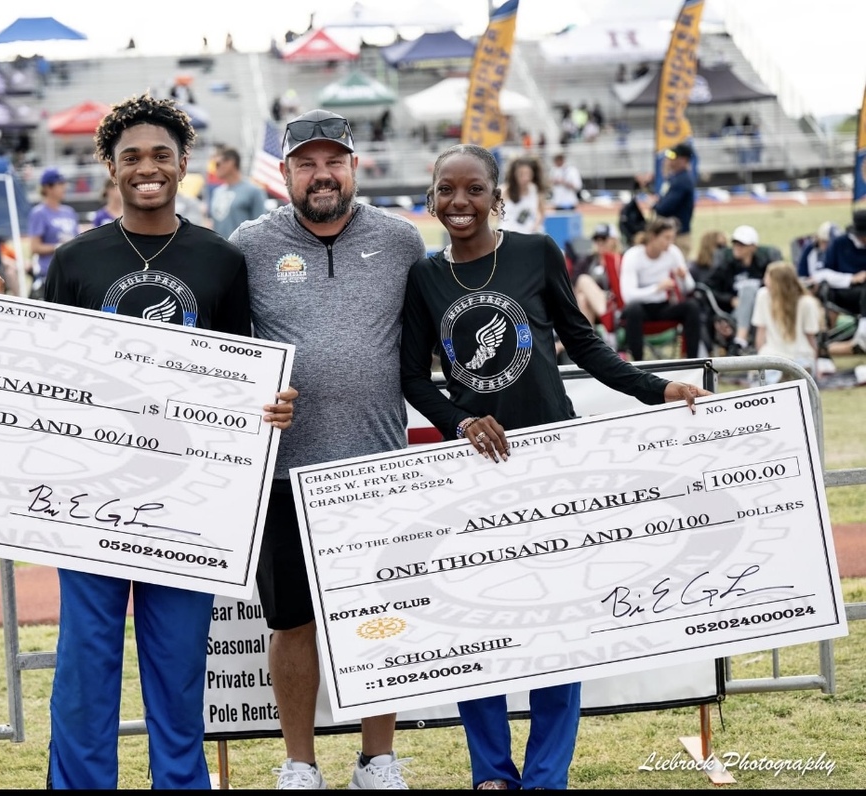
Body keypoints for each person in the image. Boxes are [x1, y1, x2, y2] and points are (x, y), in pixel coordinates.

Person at [0, 93, 297, 790]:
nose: (148, 168)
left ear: (183, 164)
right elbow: (41, 370)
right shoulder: (78, 260)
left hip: (187, 500)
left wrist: (272, 403)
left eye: (161, 156)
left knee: (177, 673)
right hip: (91, 495)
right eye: (132, 156)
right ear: (109, 165)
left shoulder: (221, 261)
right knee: (86, 666)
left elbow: (241, 369)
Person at [398, 144, 709, 791]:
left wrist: (656, 388)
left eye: (474, 189)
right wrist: (460, 419)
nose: (460, 202)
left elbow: (584, 341)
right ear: (430, 198)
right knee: (476, 627)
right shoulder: (424, 277)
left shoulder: (536, 252)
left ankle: (545, 775)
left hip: (551, 463)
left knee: (556, 627)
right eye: (447, 190)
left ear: (497, 196)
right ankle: (491, 772)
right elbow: (411, 378)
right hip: (476, 470)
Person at [230, 108, 428, 790]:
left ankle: (378, 759)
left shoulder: (402, 241)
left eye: (333, 161)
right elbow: (225, 354)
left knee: (379, 616)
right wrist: (246, 400)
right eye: (306, 163)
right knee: (292, 624)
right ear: (285, 172)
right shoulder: (250, 244)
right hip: (284, 473)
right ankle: (299, 763)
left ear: (353, 168)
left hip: (376, 467)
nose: (322, 175)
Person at [617, 217, 703, 361]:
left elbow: (689, 288)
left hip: (663, 306)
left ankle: (692, 360)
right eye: (666, 238)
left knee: (692, 306)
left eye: (672, 238)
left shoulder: (673, 252)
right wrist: (657, 288)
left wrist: (683, 277)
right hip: (640, 309)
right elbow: (628, 296)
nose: (670, 243)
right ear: (653, 237)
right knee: (633, 309)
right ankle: (639, 363)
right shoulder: (633, 255)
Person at [706, 225, 776, 355]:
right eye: (735, 243)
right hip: (734, 315)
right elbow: (709, 289)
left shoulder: (764, 266)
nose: (737, 247)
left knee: (752, 292)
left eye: (742, 244)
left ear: (753, 247)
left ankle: (739, 342)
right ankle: (741, 339)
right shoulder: (725, 266)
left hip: (762, 312)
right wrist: (730, 300)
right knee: (748, 291)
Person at [752, 260, 821, 384]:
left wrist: (759, 354)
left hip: (775, 355)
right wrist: (817, 364)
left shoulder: (806, 303)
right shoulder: (807, 302)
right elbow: (811, 339)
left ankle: (783, 379)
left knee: (767, 372)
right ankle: (793, 377)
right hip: (797, 355)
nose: (764, 280)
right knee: (801, 369)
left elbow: (760, 334)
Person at [810, 210, 866, 353]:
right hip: (844, 292)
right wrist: (851, 279)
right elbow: (822, 273)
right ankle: (863, 333)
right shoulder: (839, 244)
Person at [26, 167, 79, 296]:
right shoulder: (39, 213)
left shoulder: (69, 212)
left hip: (72, 273)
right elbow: (34, 247)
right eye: (60, 184)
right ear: (47, 187)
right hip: (49, 274)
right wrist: (59, 247)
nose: (64, 187)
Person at [207, 148, 266, 240]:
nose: (215, 168)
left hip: (243, 250)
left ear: (231, 162)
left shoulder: (254, 191)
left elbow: (261, 227)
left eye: (218, 164)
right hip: (219, 249)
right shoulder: (217, 192)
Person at [652, 142, 696, 259]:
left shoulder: (681, 181)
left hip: (678, 236)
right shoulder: (676, 178)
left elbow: (664, 208)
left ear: (683, 160)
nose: (669, 160)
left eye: (673, 157)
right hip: (673, 234)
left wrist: (655, 205)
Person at [497, 156, 545, 235]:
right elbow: (495, 217)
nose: (525, 178)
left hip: (530, 236)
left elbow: (541, 212)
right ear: (514, 174)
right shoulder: (504, 191)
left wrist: (536, 225)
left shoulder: (535, 190)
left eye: (528, 173)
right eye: (521, 174)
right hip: (508, 236)